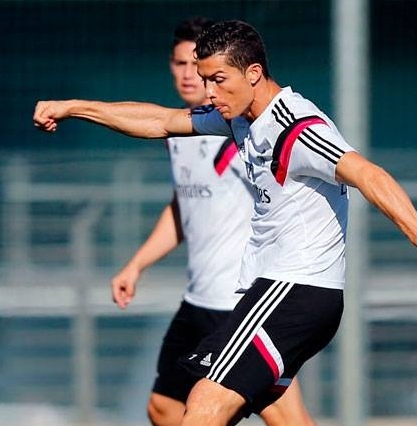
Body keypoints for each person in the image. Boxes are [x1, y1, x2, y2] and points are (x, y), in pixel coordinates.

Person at [33, 19, 417, 426]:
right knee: (191, 406)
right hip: (277, 291)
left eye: (218, 80)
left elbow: (368, 174)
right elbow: (160, 121)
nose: (208, 91)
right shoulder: (241, 120)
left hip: (295, 289)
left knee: (205, 404)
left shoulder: (296, 128)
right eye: (205, 79)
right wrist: (74, 108)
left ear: (253, 73)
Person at [109, 17, 315, 426]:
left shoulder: (241, 130)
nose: (189, 74)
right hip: (198, 300)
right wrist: (136, 265)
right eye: (179, 63)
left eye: (196, 65)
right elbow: (184, 207)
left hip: (240, 302)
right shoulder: (180, 132)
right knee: (164, 408)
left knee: (287, 419)